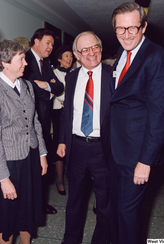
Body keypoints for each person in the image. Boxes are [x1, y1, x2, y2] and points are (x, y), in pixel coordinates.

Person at [109, 2, 164, 244]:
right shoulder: (122, 54)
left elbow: (161, 114)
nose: (126, 35)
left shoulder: (157, 57)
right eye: (120, 29)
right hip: (117, 151)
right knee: (116, 211)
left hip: (137, 155)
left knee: (128, 217)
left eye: (132, 28)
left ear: (144, 27)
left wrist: (146, 161)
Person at [0, 39, 48, 244]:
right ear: (5, 62)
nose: (26, 63)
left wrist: (43, 154)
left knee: (27, 211)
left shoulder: (27, 86)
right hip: (7, 163)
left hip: (30, 158)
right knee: (6, 218)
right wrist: (3, 179)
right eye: (21, 59)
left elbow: (35, 121)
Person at [57, 31, 112, 244]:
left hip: (104, 149)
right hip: (77, 148)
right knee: (75, 201)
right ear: (76, 55)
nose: (91, 53)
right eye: (85, 50)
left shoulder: (113, 75)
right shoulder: (71, 78)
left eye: (95, 47)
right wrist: (62, 140)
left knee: (105, 203)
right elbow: (66, 114)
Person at [23, 28, 64, 214]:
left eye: (52, 45)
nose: (50, 48)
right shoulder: (23, 59)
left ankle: (39, 203)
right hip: (27, 124)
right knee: (30, 167)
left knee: (42, 165)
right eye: (48, 43)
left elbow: (60, 87)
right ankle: (29, 205)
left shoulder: (46, 65)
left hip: (44, 124)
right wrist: (48, 87)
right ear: (36, 41)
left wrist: (46, 85)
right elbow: (27, 88)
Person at [52, 46, 73, 195]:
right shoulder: (54, 73)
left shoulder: (75, 73)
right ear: (59, 58)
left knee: (72, 143)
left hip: (72, 113)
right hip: (58, 113)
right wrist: (68, 100)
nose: (69, 59)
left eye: (71, 56)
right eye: (66, 56)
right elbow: (56, 91)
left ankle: (69, 173)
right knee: (59, 144)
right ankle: (59, 180)